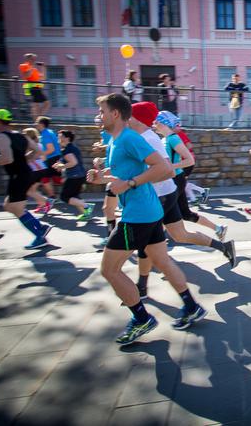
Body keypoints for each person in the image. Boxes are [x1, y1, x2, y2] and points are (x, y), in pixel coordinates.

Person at [86, 93, 203, 345]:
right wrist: (102, 177)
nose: (99, 116)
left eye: (102, 111)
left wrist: (129, 184)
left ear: (116, 114)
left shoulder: (129, 138)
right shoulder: (118, 139)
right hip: (148, 212)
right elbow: (126, 172)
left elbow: (165, 168)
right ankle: (191, 306)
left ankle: (141, 318)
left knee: (109, 269)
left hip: (137, 215)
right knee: (162, 260)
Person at [127, 102, 236, 300]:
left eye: (159, 121)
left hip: (165, 190)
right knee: (180, 234)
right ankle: (224, 246)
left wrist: (170, 167)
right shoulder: (157, 138)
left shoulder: (168, 138)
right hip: (166, 189)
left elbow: (188, 160)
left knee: (148, 242)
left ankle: (143, 288)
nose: (156, 124)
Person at [0, 109, 52, 249]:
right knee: (9, 205)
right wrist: (24, 159)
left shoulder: (1, 136)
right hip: (23, 173)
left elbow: (7, 158)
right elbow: (39, 151)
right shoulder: (21, 136)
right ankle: (40, 228)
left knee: (16, 208)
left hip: (18, 176)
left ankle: (40, 233)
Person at [154, 111, 228, 240]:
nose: (153, 123)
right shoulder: (164, 139)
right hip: (173, 179)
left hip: (176, 180)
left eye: (156, 121)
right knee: (185, 214)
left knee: (161, 211)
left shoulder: (173, 138)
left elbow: (189, 160)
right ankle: (218, 229)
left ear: (163, 123)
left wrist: (170, 166)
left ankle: (155, 240)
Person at [51, 130, 95, 220]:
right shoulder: (70, 148)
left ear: (67, 138)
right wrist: (60, 164)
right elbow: (69, 160)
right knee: (75, 197)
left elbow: (73, 162)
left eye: (60, 136)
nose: (58, 138)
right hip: (78, 175)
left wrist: (62, 166)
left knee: (65, 197)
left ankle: (87, 206)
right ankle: (86, 214)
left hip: (75, 176)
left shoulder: (67, 149)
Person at [34, 116, 62, 209]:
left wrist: (39, 155)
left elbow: (51, 149)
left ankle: (52, 197)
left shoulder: (45, 134)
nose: (35, 125)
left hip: (51, 158)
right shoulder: (49, 132)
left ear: (41, 124)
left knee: (45, 179)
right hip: (53, 158)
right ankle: (53, 197)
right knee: (54, 179)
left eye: (36, 123)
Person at [22, 127, 52, 213]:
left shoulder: (35, 145)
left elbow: (32, 159)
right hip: (39, 169)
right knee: (32, 190)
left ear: (29, 136)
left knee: (28, 190)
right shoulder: (37, 144)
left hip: (37, 170)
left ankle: (46, 201)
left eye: (25, 135)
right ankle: (42, 205)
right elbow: (42, 157)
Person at [18, 53, 50, 120]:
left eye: (35, 59)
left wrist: (43, 68)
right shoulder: (24, 65)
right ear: (28, 59)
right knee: (35, 105)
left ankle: (39, 118)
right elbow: (27, 76)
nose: (34, 60)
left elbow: (43, 78)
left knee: (46, 103)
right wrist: (31, 67)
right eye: (33, 59)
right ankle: (37, 119)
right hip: (31, 86)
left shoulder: (34, 69)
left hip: (37, 86)